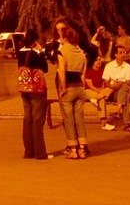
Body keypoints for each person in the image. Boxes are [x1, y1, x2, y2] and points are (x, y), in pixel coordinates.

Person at [16, 28, 52, 161]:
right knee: (38, 121)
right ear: (35, 41)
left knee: (28, 119)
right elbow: (45, 68)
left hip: (24, 89)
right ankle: (40, 152)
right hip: (36, 90)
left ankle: (28, 151)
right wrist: (41, 52)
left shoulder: (20, 53)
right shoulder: (34, 54)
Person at [56, 23, 89, 159]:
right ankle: (82, 148)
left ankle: (73, 148)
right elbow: (83, 74)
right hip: (80, 87)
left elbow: (62, 71)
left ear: (65, 38)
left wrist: (63, 88)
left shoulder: (62, 51)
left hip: (69, 86)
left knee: (69, 120)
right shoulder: (80, 52)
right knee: (80, 119)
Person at [101, 44, 130, 131]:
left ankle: (118, 110)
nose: (123, 54)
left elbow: (129, 82)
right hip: (112, 92)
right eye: (120, 53)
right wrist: (113, 85)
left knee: (125, 89)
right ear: (115, 55)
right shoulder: (109, 66)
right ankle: (127, 123)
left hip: (123, 90)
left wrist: (120, 83)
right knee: (126, 95)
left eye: (124, 52)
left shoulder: (127, 66)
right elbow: (105, 82)